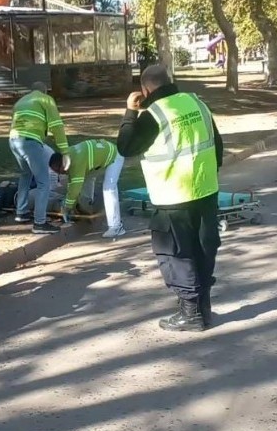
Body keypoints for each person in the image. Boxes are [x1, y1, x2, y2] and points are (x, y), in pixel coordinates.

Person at [117, 65, 224, 332]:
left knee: (177, 255)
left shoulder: (154, 114)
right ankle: (204, 309)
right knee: (203, 249)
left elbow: (126, 146)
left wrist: (130, 112)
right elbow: (217, 144)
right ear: (170, 81)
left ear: (145, 90)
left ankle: (190, 314)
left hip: (173, 196)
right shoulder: (196, 102)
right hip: (206, 190)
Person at [9, 81, 70, 235]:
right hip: (30, 141)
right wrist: (65, 151)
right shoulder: (45, 99)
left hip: (14, 140)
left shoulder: (21, 101)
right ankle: (40, 223)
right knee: (43, 182)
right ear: (45, 92)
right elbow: (57, 125)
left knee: (25, 175)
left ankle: (21, 212)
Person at [49, 139, 126, 238]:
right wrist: (72, 204)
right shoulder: (69, 156)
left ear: (63, 164)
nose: (59, 174)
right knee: (86, 180)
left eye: (58, 170)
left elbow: (75, 188)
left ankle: (116, 227)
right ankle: (86, 205)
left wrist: (66, 207)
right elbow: (72, 184)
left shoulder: (76, 162)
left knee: (109, 189)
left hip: (114, 156)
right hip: (103, 155)